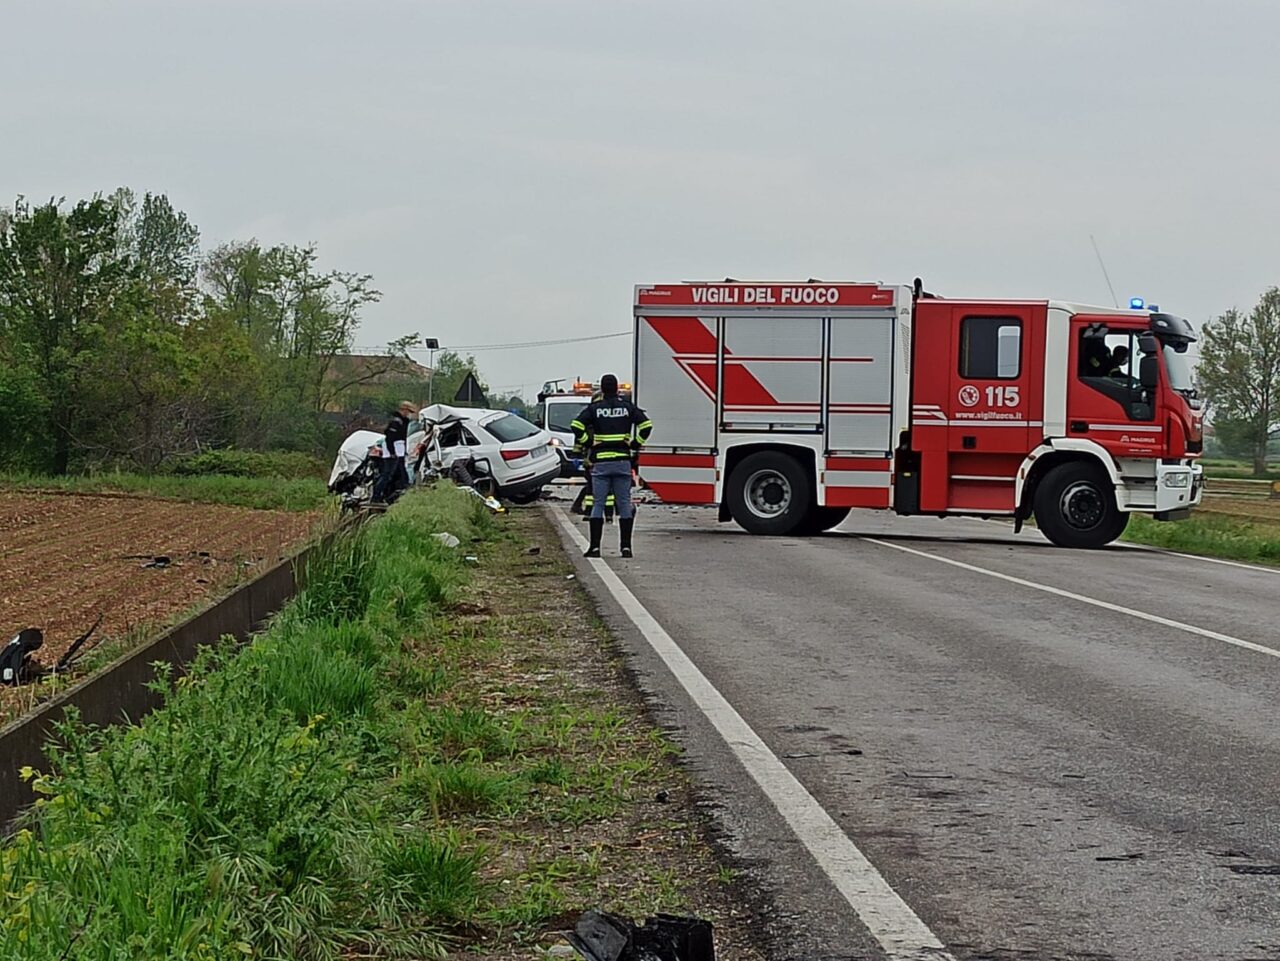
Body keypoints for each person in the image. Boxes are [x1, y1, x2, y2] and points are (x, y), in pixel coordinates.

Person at [571, 374, 653, 558]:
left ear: (602, 389)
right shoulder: (627, 407)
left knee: (598, 504)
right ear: (617, 388)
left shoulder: (595, 408)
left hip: (601, 463)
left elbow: (576, 425)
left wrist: (589, 441)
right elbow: (647, 425)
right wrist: (635, 443)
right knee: (624, 504)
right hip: (622, 462)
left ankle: (594, 548)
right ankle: (626, 548)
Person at [373, 400, 417, 503]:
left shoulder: (402, 422)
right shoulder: (396, 422)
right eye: (407, 411)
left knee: (400, 474)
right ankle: (376, 496)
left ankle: (396, 493)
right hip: (392, 453)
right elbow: (390, 438)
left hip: (399, 452)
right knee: (387, 475)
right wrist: (392, 452)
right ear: (403, 410)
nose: (408, 414)